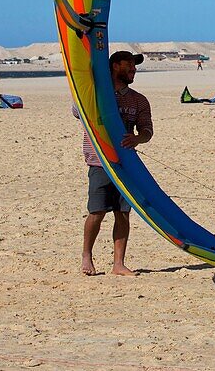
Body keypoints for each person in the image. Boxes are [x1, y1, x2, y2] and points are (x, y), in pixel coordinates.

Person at [80, 51, 152, 277]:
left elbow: (147, 131)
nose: (133, 69)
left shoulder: (139, 100)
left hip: (126, 164)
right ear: (114, 66)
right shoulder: (98, 94)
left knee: (123, 212)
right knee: (97, 211)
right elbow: (78, 110)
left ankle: (118, 264)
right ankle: (86, 257)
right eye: (129, 64)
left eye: (135, 65)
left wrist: (137, 139)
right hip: (99, 161)